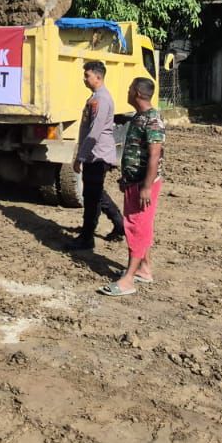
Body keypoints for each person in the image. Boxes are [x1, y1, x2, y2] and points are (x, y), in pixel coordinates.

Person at [99, 78, 164, 297]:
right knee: (138, 225)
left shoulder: (153, 120)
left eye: (128, 88)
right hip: (134, 182)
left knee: (137, 228)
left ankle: (128, 280)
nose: (126, 92)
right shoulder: (139, 117)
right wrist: (126, 178)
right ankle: (144, 269)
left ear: (136, 92)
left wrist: (146, 187)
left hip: (144, 185)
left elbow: (155, 155)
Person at [72, 61, 124, 249]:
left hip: (97, 154)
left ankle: (87, 237)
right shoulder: (96, 97)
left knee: (91, 196)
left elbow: (94, 132)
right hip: (96, 153)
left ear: (98, 77)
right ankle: (119, 224)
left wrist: (81, 156)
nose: (84, 79)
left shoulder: (101, 100)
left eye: (87, 75)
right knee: (95, 193)